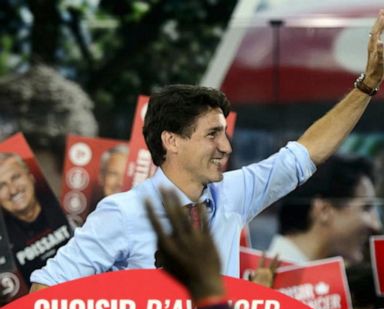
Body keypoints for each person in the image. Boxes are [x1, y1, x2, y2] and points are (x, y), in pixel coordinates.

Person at [30, 10, 384, 291]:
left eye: (225, 133)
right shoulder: (122, 213)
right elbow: (45, 292)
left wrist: (367, 85)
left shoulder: (234, 193)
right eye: (212, 134)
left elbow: (305, 154)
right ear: (171, 140)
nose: (226, 147)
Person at [268, 154, 382, 265]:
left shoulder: (304, 278)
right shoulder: (270, 280)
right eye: (366, 208)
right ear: (324, 210)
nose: (376, 225)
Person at [0, 152, 72, 286]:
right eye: (1, 186)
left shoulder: (70, 209)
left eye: (15, 177)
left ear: (31, 177)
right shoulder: (3, 248)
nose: (13, 190)